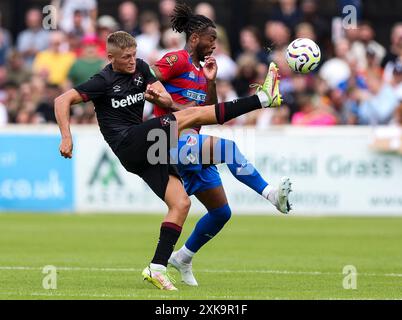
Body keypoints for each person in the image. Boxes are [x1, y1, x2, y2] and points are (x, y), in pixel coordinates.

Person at [54, 30, 284, 291]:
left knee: (181, 203)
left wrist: (162, 100)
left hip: (147, 148)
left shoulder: (141, 69)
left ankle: (157, 267)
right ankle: (262, 99)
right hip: (128, 143)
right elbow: (62, 100)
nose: (132, 60)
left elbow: (167, 100)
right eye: (125, 57)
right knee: (194, 117)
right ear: (111, 58)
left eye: (134, 54)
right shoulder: (102, 80)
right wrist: (66, 137)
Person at [151, 3, 292, 287]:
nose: (215, 44)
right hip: (167, 141)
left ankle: (183, 258)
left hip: (192, 145)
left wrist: (210, 82)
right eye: (211, 39)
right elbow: (149, 82)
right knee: (227, 149)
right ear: (194, 39)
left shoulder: (199, 69)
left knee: (221, 213)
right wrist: (170, 104)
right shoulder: (176, 59)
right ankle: (270, 194)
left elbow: (210, 111)